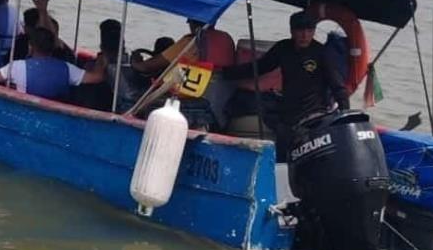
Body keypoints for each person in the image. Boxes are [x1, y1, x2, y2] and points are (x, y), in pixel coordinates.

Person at [222, 11, 349, 152]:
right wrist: (225, 73)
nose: (305, 35)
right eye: (300, 31)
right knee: (283, 148)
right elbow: (260, 67)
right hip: (288, 113)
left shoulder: (322, 53)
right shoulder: (283, 48)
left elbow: (338, 86)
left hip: (313, 113)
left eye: (309, 31)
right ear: (291, 31)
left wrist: (346, 117)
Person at [0, 27, 103, 101]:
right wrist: (104, 58)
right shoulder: (68, 69)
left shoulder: (18, 67)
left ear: (30, 47)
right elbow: (96, 78)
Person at [131, 19, 235, 75]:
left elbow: (144, 67)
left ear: (192, 22)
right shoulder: (226, 38)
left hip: (187, 95)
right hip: (218, 91)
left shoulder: (190, 42)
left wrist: (135, 61)